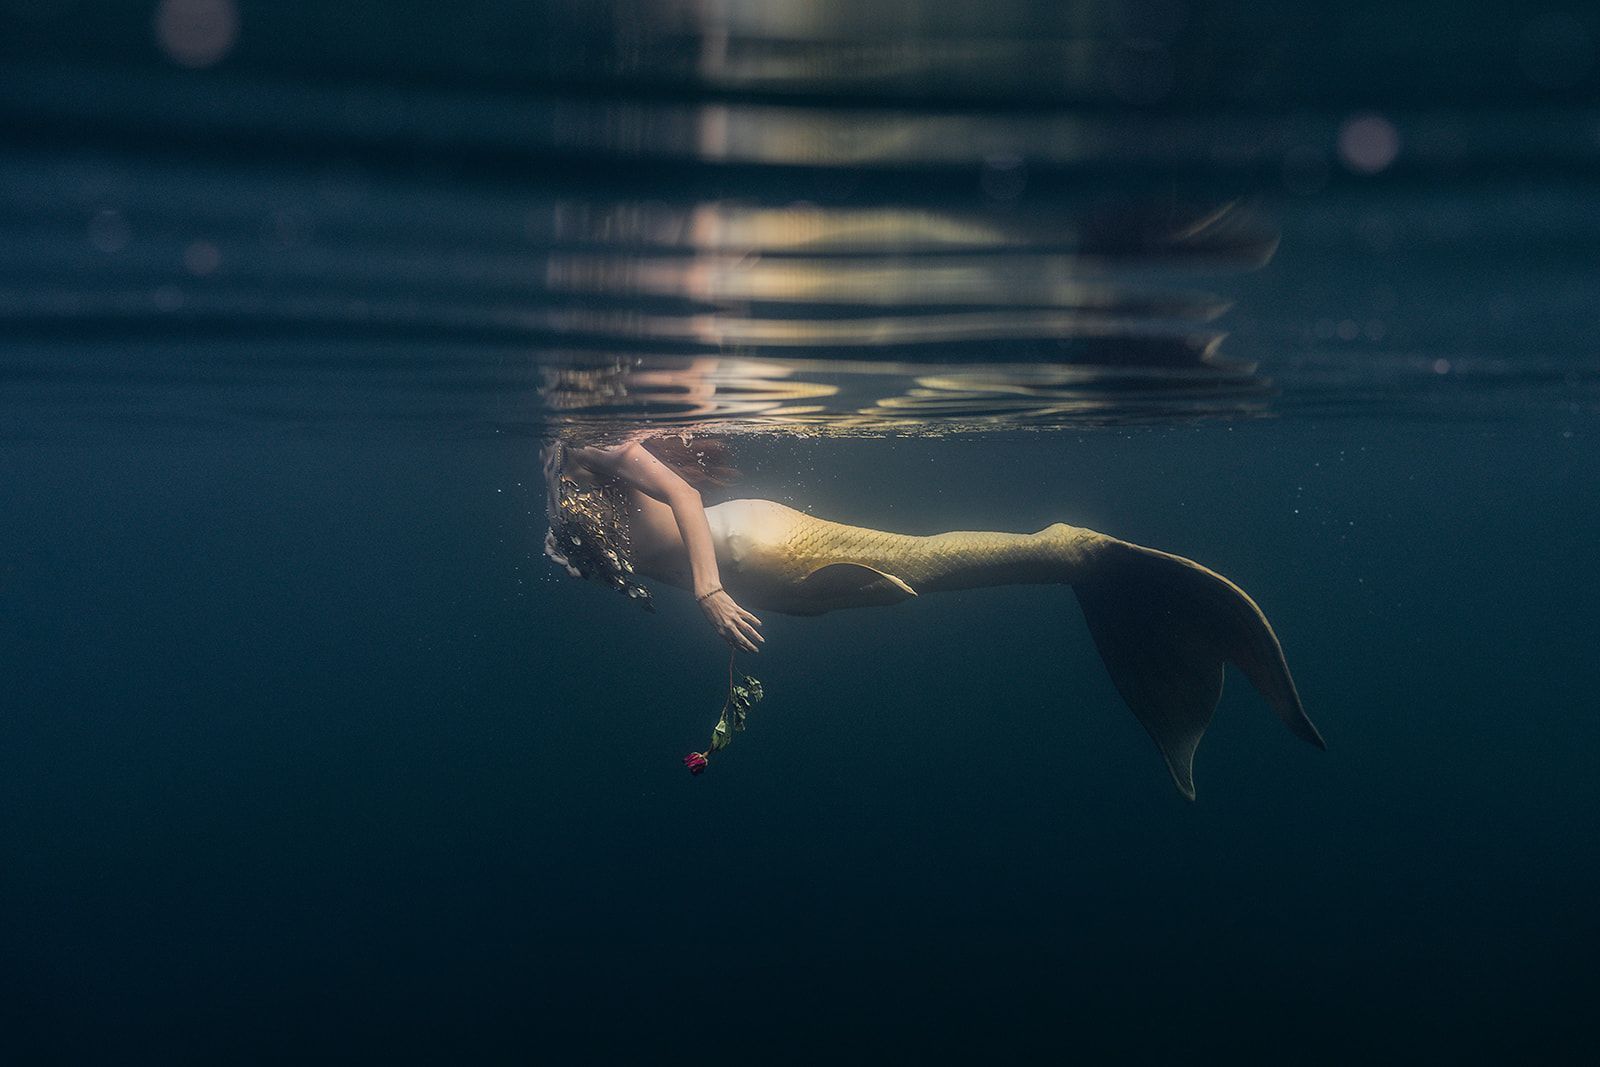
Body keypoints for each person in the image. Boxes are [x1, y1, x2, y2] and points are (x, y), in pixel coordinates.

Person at [544, 436, 1324, 798]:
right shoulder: (557, 470)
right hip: (763, 578)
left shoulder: (586, 444)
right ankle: (1069, 561)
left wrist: (710, 591)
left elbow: (680, 498)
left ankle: (1071, 551)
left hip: (753, 548)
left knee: (919, 563)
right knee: (911, 575)